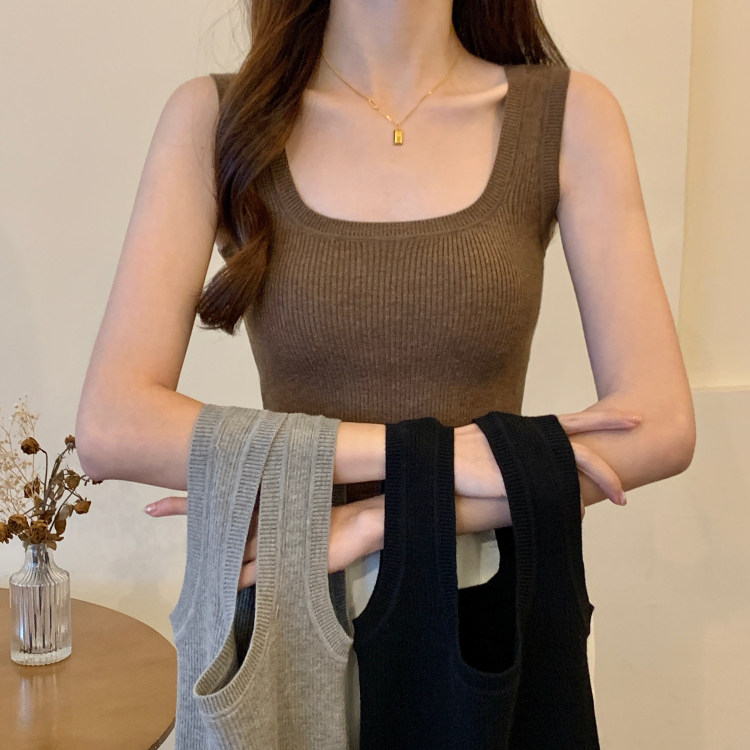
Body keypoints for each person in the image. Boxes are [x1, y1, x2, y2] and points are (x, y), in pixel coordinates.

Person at [75, 0, 696, 740]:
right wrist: (434, 458)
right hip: (287, 611)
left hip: (485, 615)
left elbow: (659, 426)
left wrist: (377, 518)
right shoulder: (214, 119)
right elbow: (113, 426)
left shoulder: (569, 115)